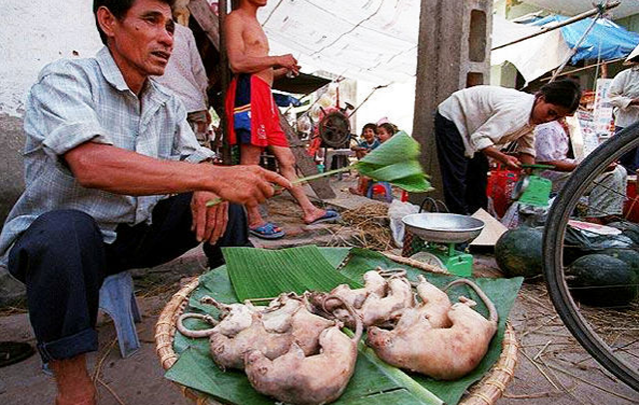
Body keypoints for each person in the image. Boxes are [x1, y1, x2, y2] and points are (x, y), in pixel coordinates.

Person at [0, 1, 291, 404]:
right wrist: (212, 175)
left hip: (135, 236)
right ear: (109, 22)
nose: (166, 38)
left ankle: (243, 317)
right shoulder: (65, 79)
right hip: (67, 250)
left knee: (228, 197)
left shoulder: (166, 102)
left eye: (170, 27)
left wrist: (210, 181)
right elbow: (91, 164)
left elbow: (195, 159)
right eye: (151, 21)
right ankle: (74, 389)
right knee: (64, 230)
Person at [224, 0, 339, 240]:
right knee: (251, 158)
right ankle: (254, 219)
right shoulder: (235, 18)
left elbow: (260, 69)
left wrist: (281, 70)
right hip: (250, 92)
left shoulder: (255, 21)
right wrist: (277, 59)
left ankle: (309, 209)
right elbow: (237, 63)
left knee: (287, 158)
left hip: (264, 94)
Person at [434, 80, 582, 215]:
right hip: (453, 116)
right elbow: (480, 138)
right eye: (550, 113)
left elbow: (527, 147)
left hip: (474, 128)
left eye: (556, 118)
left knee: (478, 174)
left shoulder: (533, 116)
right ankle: (457, 224)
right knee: (456, 176)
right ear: (541, 98)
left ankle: (479, 220)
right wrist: (503, 158)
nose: (549, 120)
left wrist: (530, 173)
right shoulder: (517, 111)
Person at [534, 120, 627, 224]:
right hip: (547, 178)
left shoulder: (557, 125)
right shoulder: (547, 127)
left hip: (561, 170)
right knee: (611, 174)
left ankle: (608, 214)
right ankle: (595, 217)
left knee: (620, 170)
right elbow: (547, 163)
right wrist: (593, 166)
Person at [153, 19, 211, 148]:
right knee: (200, 157)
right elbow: (199, 72)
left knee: (166, 158)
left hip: (163, 105)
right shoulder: (184, 32)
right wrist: (204, 103)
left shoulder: (142, 32)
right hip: (193, 104)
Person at [609, 59, 639, 173]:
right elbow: (612, 97)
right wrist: (632, 101)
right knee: (621, 159)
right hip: (625, 123)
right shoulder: (625, 76)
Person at [348, 123, 381, 196]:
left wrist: (367, 153)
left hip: (374, 166)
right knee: (360, 151)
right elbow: (353, 148)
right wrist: (361, 148)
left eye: (370, 131)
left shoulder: (377, 144)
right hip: (366, 165)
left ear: (374, 133)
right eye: (365, 132)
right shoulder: (364, 143)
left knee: (364, 176)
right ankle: (359, 190)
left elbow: (377, 156)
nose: (367, 133)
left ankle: (362, 192)